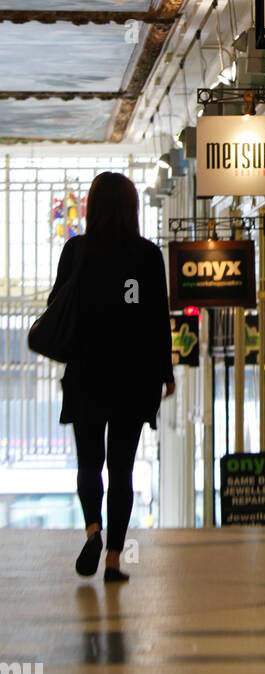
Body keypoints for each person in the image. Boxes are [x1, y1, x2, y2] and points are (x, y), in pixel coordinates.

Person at [54, 172, 175, 583]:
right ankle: (113, 561)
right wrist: (166, 372)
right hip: (133, 377)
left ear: (92, 206)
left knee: (90, 462)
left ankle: (92, 531)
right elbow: (158, 319)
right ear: (131, 207)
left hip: (86, 373)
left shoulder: (76, 251)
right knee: (122, 468)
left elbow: (58, 306)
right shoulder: (145, 255)